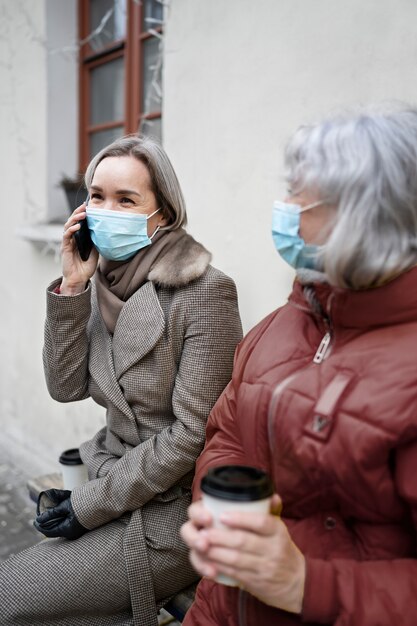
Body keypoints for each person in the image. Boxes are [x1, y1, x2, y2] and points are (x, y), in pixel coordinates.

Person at [180, 104, 417, 626]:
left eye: (300, 196)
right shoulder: (281, 322)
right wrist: (223, 513)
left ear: (365, 215)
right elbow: (228, 433)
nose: (282, 209)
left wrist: (308, 585)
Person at [0, 134, 243, 626]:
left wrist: (90, 505)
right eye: (96, 196)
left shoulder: (205, 292)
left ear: (164, 215)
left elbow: (193, 435)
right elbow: (65, 386)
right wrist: (72, 286)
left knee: (10, 598)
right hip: (111, 474)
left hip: (173, 508)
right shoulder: (104, 279)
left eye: (126, 199)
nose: (104, 210)